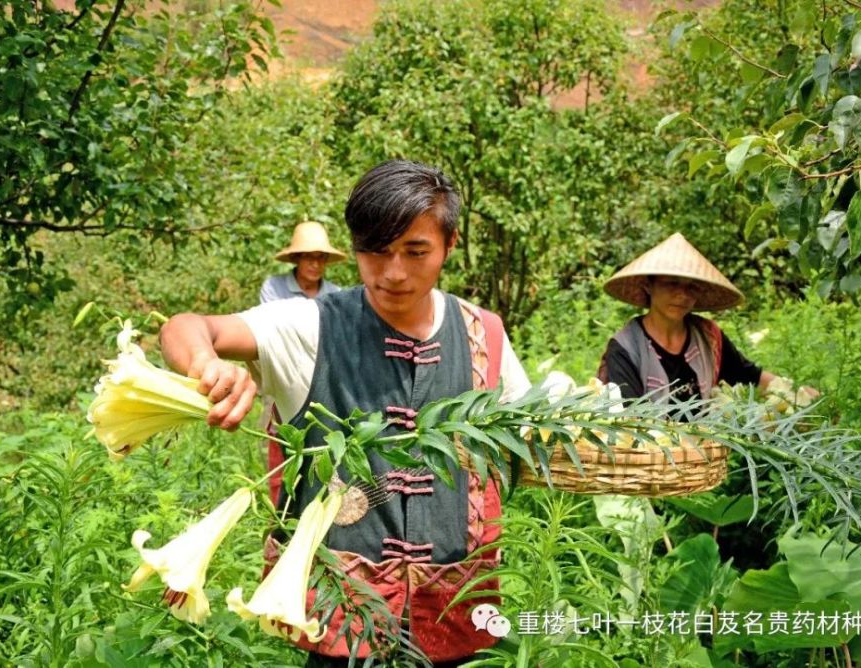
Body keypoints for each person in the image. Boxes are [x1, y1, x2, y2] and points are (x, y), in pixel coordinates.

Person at [160, 160, 531, 666]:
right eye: (375, 252)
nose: (393, 272)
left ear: (450, 243)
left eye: (415, 251)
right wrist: (206, 364)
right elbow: (188, 326)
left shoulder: (483, 334)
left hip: (452, 617)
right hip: (341, 627)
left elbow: (525, 438)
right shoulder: (309, 327)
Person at [596, 232, 815, 406]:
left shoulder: (708, 336)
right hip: (651, 457)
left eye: (692, 287)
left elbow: (748, 375)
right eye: (671, 283)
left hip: (706, 457)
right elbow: (630, 420)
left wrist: (797, 395)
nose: (682, 294)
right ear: (648, 285)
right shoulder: (626, 348)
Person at [259, 221, 346, 303]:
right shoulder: (274, 288)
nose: (316, 264)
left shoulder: (335, 294)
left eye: (321, 257)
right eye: (308, 256)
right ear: (296, 258)